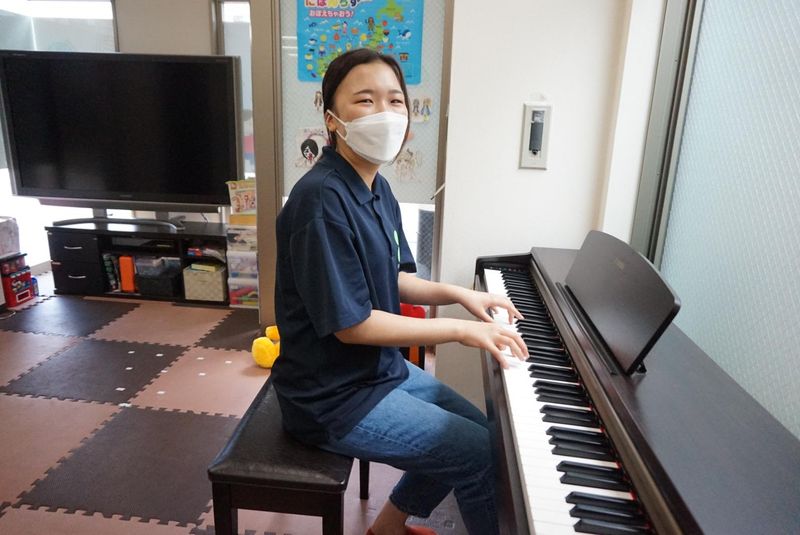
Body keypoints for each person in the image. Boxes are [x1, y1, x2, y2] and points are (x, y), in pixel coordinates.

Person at [271, 48, 528, 535]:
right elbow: (352, 325)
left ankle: (385, 528)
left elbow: (390, 277)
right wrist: (461, 331)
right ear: (332, 120)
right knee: (477, 454)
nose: (384, 113)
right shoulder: (320, 201)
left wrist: (461, 295)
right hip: (331, 398)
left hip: (378, 372)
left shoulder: (376, 187)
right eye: (364, 100)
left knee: (484, 434)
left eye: (395, 101)